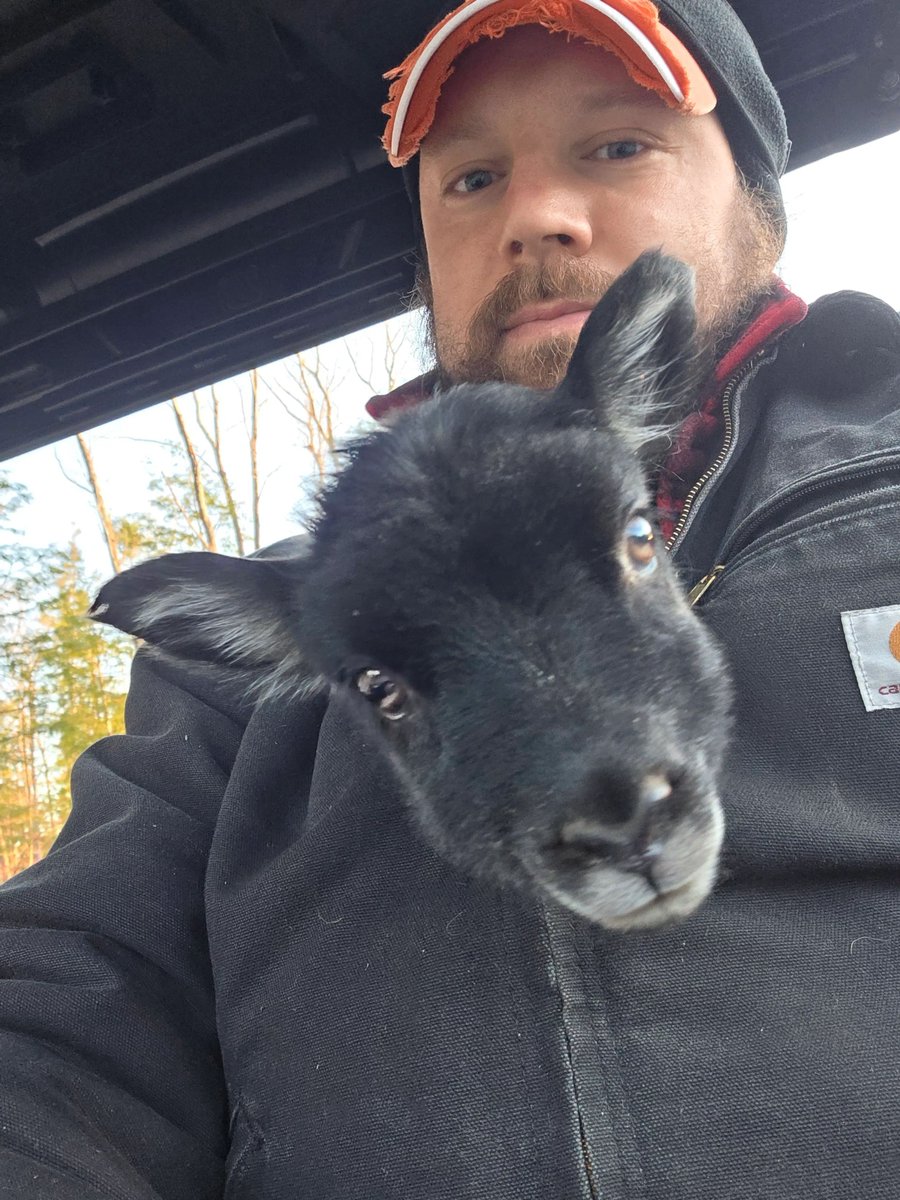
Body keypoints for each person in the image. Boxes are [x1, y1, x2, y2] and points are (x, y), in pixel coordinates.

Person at [1, 1, 898, 1197]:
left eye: (617, 144)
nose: (534, 215)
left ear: (757, 193)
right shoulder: (235, 683)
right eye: (470, 177)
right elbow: (68, 1023)